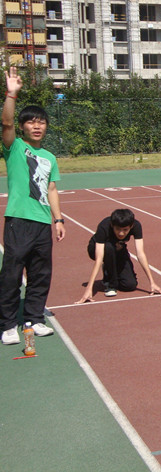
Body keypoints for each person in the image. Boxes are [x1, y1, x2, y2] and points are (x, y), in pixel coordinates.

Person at [1, 67, 65, 346]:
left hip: (41, 224)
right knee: (12, 273)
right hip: (18, 220)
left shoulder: (49, 156)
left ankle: (34, 318)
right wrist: (11, 95)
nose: (37, 126)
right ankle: (7, 324)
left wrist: (58, 219)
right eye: (32, 122)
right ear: (24, 126)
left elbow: (51, 188)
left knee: (41, 275)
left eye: (41, 122)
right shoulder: (14, 147)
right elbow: (6, 124)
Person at [75, 208, 161, 303]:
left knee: (129, 285)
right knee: (109, 248)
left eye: (125, 230)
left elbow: (140, 254)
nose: (121, 233)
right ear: (112, 225)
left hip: (119, 247)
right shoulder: (104, 226)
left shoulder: (136, 226)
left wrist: (152, 282)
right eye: (118, 229)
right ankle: (111, 284)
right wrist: (89, 288)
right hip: (97, 248)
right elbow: (99, 258)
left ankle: (111, 271)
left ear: (131, 226)